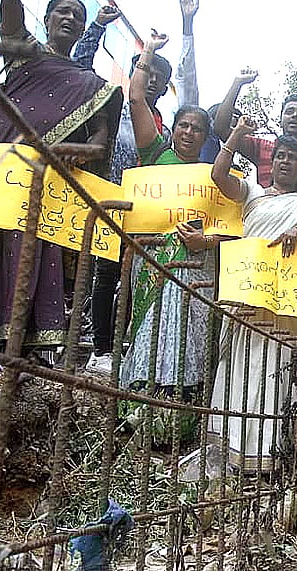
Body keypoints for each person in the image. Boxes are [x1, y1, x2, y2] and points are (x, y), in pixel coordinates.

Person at [0, 0, 122, 352]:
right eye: (63, 11)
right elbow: (9, 16)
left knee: (42, 258)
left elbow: (101, 141)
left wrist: (83, 151)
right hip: (6, 177)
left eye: (78, 14)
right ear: (45, 19)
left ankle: (26, 348)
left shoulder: (91, 84)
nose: (71, 17)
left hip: (52, 185)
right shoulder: (24, 53)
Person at [209, 115, 297, 470]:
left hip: (286, 310)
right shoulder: (251, 193)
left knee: (275, 377)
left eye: (291, 159)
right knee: (241, 373)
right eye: (279, 155)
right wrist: (235, 134)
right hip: (248, 302)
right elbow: (219, 176)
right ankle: (233, 451)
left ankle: (269, 457)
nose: (284, 161)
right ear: (272, 162)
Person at [72, 3, 182, 375]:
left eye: (158, 75)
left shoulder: (164, 130)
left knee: (135, 281)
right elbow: (81, 67)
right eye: (145, 70)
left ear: (165, 87)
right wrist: (96, 28)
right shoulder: (115, 103)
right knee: (104, 275)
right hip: (108, 201)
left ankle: (127, 349)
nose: (150, 78)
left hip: (144, 215)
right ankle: (101, 350)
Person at [118, 32, 214, 392]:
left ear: (205, 138)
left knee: (188, 330)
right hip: (151, 255)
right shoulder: (156, 153)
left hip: (192, 265)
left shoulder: (212, 177)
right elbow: (136, 97)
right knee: (148, 325)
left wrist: (205, 241)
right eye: (183, 126)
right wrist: (149, 52)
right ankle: (140, 399)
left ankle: (180, 407)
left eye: (197, 129)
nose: (189, 132)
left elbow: (225, 225)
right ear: (173, 130)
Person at [214, 72, 297, 204]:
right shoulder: (262, 147)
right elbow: (221, 129)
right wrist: (237, 84)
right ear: (280, 119)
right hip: (267, 217)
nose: (295, 116)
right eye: (289, 112)